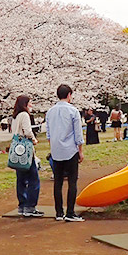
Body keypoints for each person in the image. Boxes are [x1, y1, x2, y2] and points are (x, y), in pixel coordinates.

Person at [46, 84, 85, 222]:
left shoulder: (50, 112)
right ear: (69, 95)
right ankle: (70, 212)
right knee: (72, 181)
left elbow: (49, 134)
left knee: (58, 182)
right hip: (70, 150)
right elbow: (78, 134)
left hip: (56, 151)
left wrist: (53, 148)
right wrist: (80, 151)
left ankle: (58, 212)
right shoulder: (73, 111)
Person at [8, 95, 43, 217]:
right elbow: (27, 131)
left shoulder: (16, 116)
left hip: (17, 151)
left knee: (21, 179)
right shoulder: (25, 115)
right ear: (25, 104)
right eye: (30, 103)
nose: (31, 105)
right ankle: (30, 206)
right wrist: (34, 140)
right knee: (34, 179)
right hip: (26, 152)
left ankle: (22, 205)